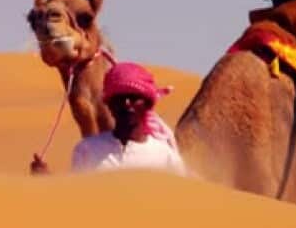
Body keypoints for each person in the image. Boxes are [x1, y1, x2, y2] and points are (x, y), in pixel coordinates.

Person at [30, 62, 187, 176]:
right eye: (120, 98)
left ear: (147, 103)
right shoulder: (87, 149)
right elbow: (76, 200)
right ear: (109, 104)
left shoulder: (164, 155)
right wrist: (47, 181)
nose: (126, 104)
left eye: (133, 97)